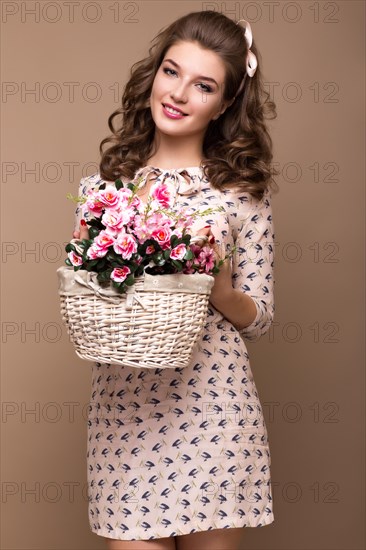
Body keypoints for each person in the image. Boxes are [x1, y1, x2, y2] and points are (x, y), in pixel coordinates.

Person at [72, 9, 279, 550]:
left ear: (226, 102)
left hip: (214, 413)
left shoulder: (242, 195)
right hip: (124, 411)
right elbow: (88, 302)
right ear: (154, 74)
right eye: (171, 71)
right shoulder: (105, 188)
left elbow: (260, 320)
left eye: (203, 84)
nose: (179, 93)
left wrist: (223, 291)